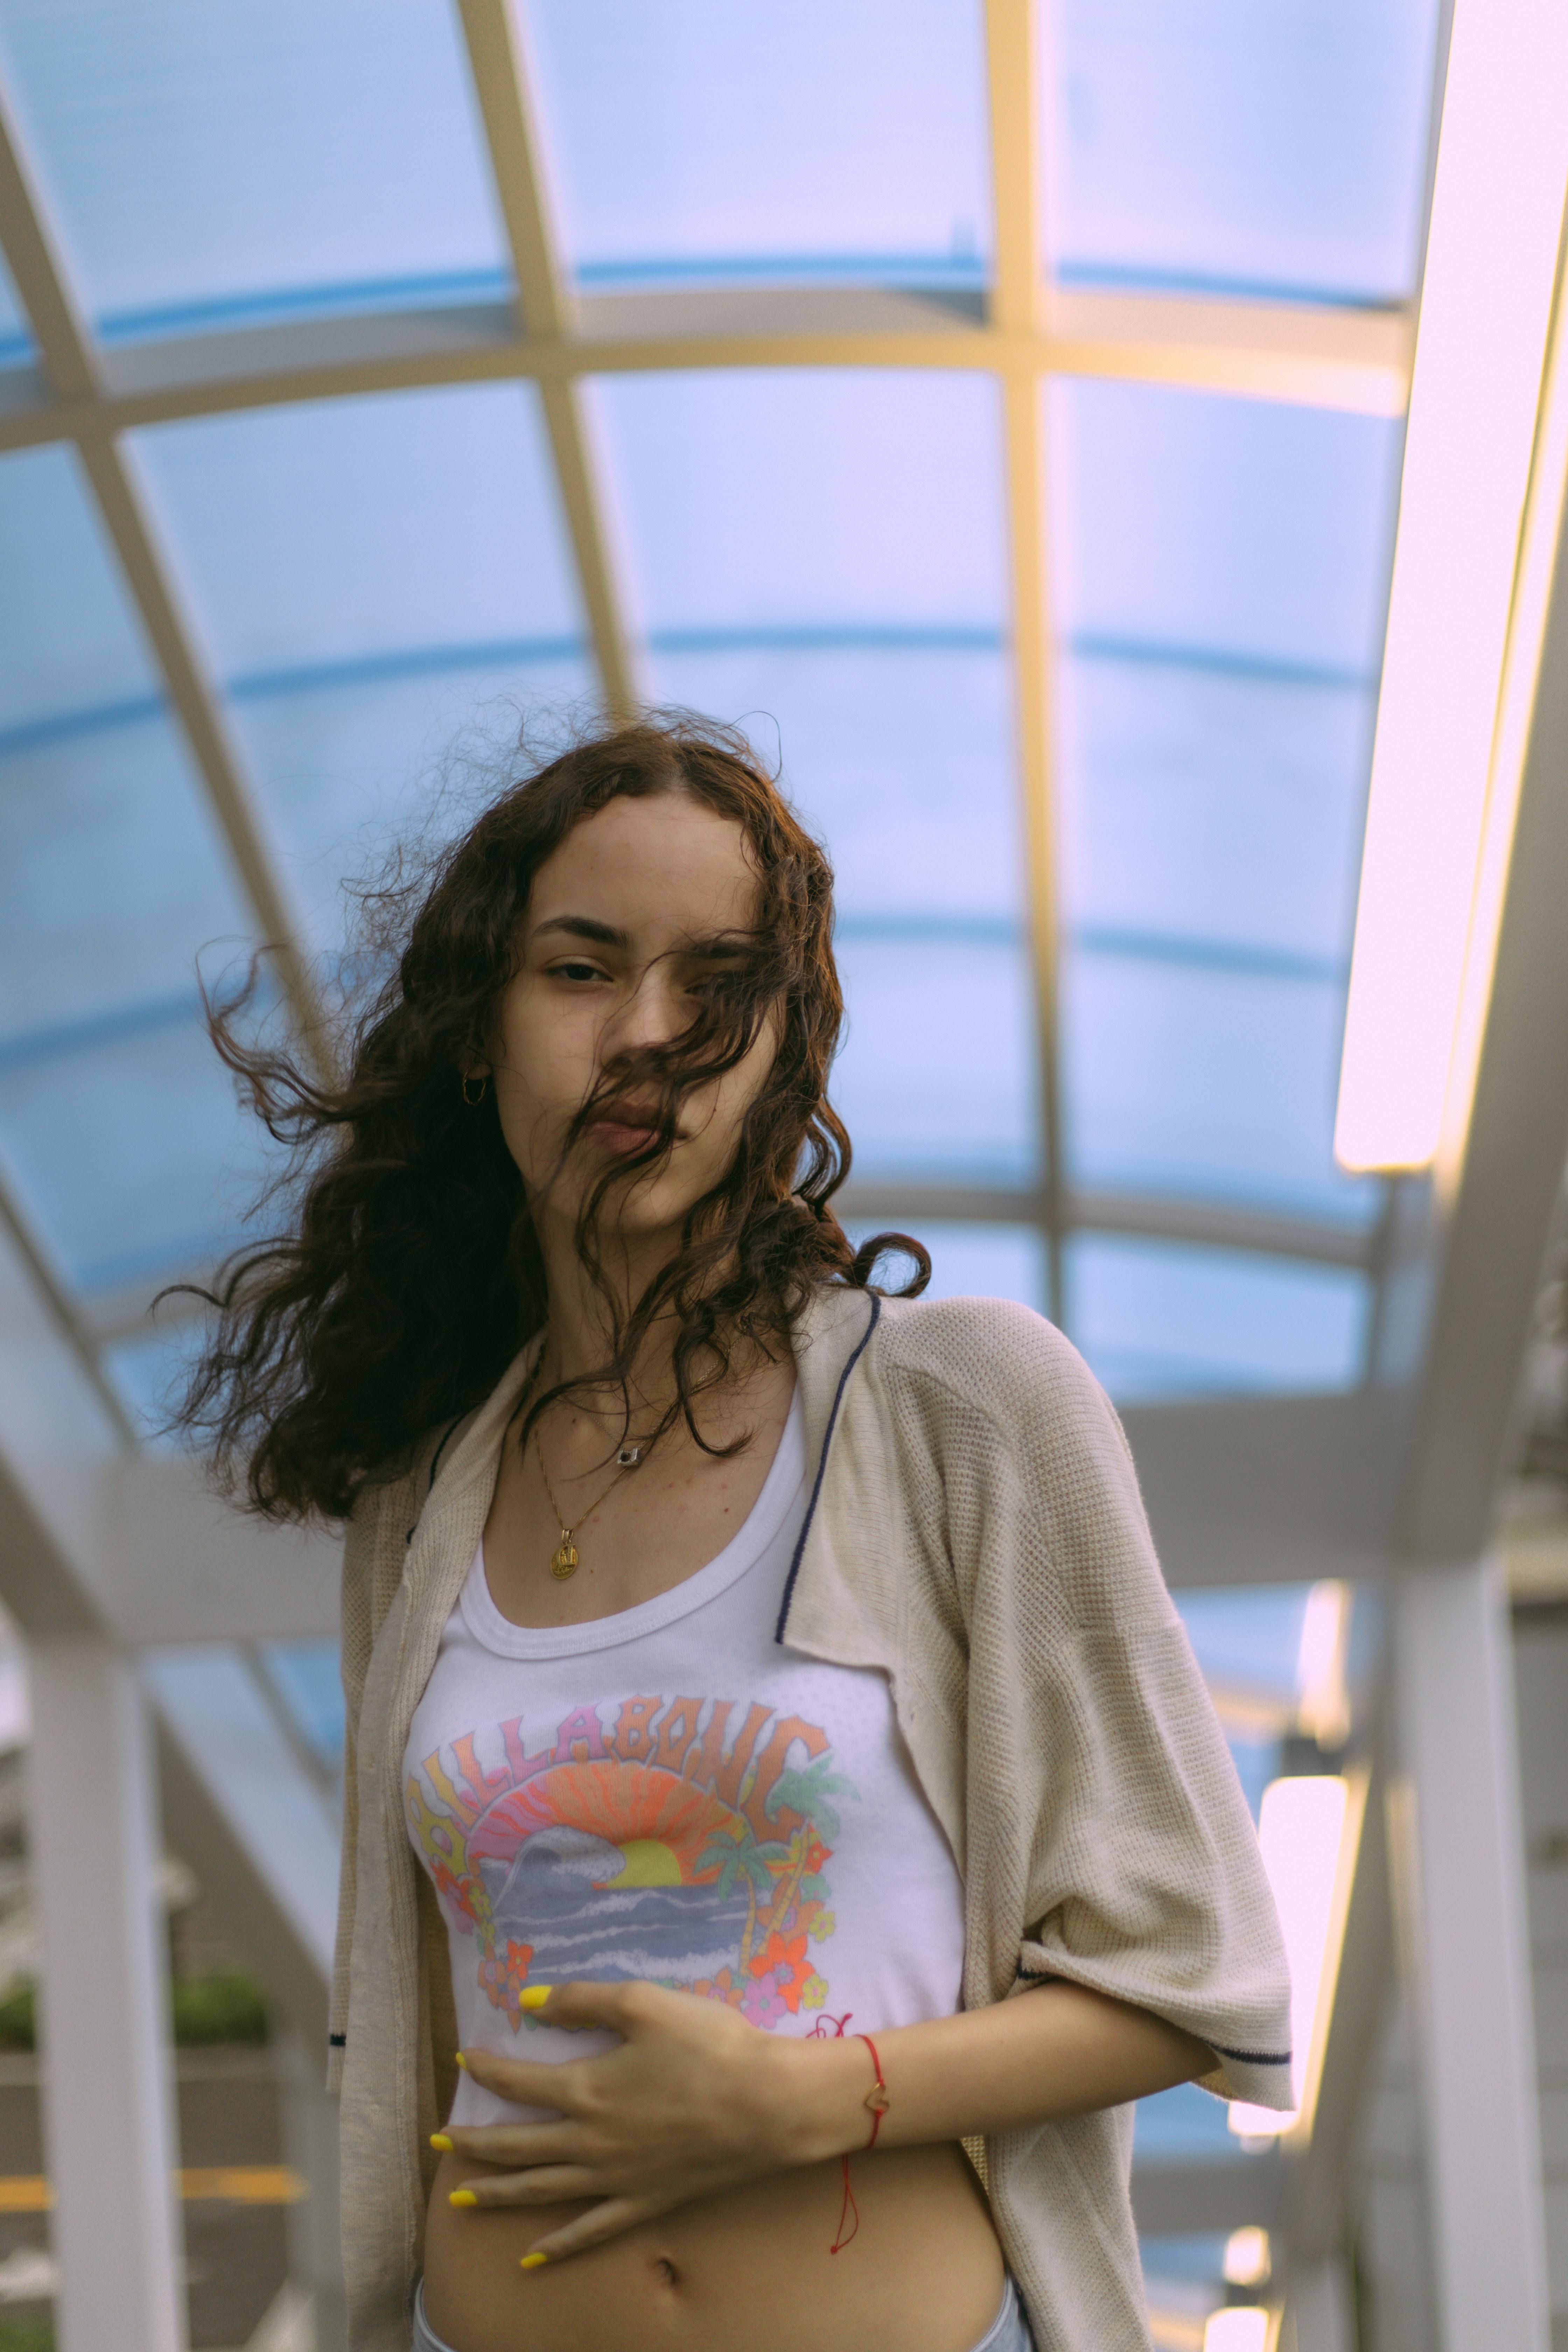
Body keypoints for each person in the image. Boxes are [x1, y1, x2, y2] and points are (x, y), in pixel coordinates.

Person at [184, 716, 1292, 2352]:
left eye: (718, 984)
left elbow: (1200, 1978)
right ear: (479, 1027)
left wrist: (802, 2102)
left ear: (786, 1046)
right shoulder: (421, 1494)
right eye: (579, 968)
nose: (650, 1038)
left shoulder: (966, 1406)